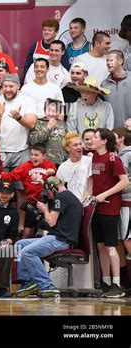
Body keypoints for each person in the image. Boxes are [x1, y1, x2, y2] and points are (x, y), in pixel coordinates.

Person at [15, 177, 82, 298]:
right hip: (57, 237)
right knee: (19, 245)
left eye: (48, 192)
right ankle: (28, 282)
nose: (48, 196)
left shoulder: (61, 197)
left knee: (27, 252)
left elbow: (51, 222)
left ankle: (46, 285)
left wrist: (45, 210)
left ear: (53, 189)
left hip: (61, 239)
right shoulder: (67, 196)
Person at [0, 73, 37, 233]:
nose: (8, 89)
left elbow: (31, 123)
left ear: (18, 87)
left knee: (21, 190)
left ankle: (20, 225)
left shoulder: (27, 100)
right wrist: (0, 115)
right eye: (5, 86)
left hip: (21, 150)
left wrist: (18, 117)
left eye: (11, 86)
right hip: (0, 151)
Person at [91, 128, 129, 297]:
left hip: (110, 208)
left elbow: (124, 182)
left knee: (111, 246)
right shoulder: (93, 158)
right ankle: (106, 282)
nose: (92, 140)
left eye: (95, 137)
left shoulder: (113, 158)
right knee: (100, 246)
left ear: (104, 141)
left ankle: (117, 284)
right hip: (96, 208)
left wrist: (105, 194)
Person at [0, 142, 56, 238]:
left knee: (45, 232)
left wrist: (52, 172)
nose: (33, 157)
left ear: (44, 156)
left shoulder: (49, 165)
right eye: (32, 154)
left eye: (36, 155)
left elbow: (55, 175)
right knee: (27, 232)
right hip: (32, 203)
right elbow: (12, 176)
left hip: (46, 203)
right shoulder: (26, 166)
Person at [56, 132, 92, 203]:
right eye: (75, 145)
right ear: (68, 148)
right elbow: (59, 189)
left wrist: (82, 200)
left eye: (80, 144)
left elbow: (93, 186)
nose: (79, 147)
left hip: (88, 204)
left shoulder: (89, 161)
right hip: (71, 205)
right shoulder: (63, 167)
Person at [29, 99, 67, 166]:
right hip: (43, 163)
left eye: (54, 111)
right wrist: (48, 128)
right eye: (49, 110)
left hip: (60, 162)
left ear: (59, 112)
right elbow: (33, 141)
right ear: (44, 110)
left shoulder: (62, 124)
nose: (51, 113)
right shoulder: (38, 123)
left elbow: (66, 143)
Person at [113, 127, 131, 263]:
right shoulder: (116, 156)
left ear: (121, 138)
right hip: (121, 201)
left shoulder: (129, 154)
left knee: (127, 238)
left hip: (128, 201)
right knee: (123, 239)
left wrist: (125, 185)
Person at [101, 50, 131, 128]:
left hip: (129, 128)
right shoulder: (104, 84)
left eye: (111, 60)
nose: (108, 63)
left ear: (120, 61)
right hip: (111, 130)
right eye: (107, 60)